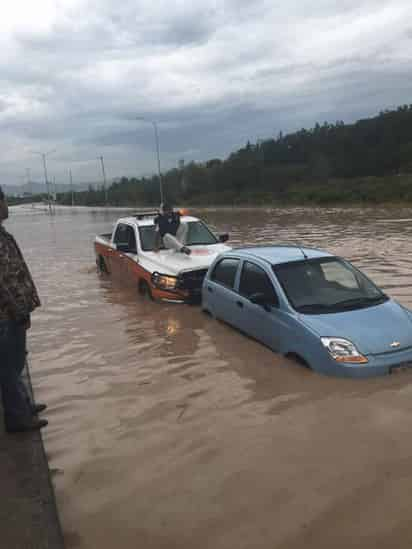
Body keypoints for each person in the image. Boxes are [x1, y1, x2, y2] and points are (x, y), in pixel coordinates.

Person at [0, 186, 48, 433]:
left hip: (15, 312)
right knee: (8, 367)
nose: (7, 205)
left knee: (16, 363)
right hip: (7, 315)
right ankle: (18, 418)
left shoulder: (3, 234)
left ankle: (23, 406)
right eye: (4, 200)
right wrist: (18, 310)